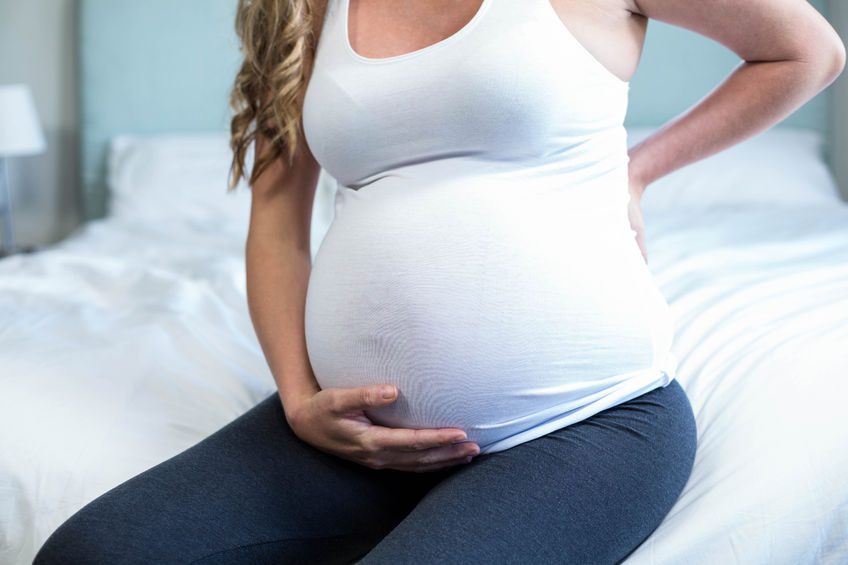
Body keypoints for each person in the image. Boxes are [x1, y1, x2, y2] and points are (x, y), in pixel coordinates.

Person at [34, 0, 845, 563]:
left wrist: (638, 170)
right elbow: (277, 229)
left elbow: (806, 50)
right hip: (354, 434)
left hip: (581, 424)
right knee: (91, 552)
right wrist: (297, 399)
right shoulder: (304, 11)